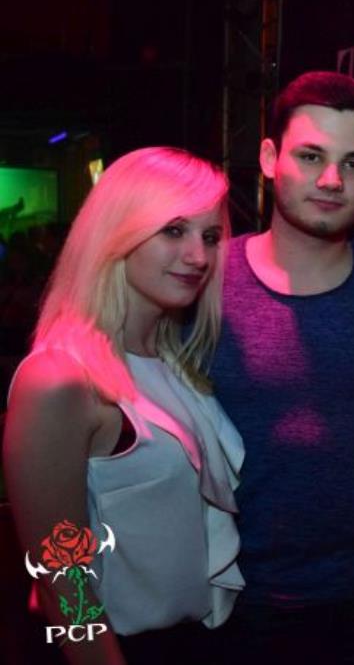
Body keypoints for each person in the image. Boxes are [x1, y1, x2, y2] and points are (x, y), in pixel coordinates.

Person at [207, 72, 354, 665]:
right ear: (269, 158)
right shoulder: (206, 278)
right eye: (311, 156)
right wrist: (74, 610)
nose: (332, 180)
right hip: (235, 593)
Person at [3, 147, 243, 665]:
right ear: (117, 232)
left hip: (194, 642)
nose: (199, 256)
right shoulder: (60, 378)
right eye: (173, 230)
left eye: (209, 236)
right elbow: (63, 580)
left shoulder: (172, 363)